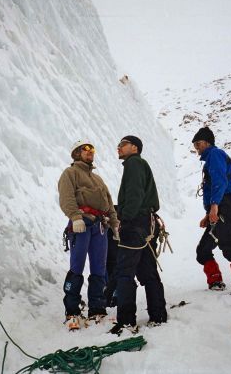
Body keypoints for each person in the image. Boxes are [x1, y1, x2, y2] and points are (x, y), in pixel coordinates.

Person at [58, 139, 119, 331]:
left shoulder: (98, 179)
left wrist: (115, 224)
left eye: (92, 149)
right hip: (82, 224)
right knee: (76, 267)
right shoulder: (70, 173)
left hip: (100, 226)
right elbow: (66, 197)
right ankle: (72, 310)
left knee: (99, 268)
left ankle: (97, 308)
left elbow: (108, 202)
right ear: (76, 153)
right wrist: (75, 217)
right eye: (86, 149)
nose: (90, 151)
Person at [109, 136, 167, 335]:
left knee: (124, 273)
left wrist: (125, 219)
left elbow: (134, 194)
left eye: (122, 144)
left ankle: (126, 322)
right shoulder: (140, 164)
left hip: (135, 225)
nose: (119, 147)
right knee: (148, 272)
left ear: (134, 148)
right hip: (147, 224)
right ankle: (158, 315)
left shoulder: (133, 163)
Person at [192, 126, 231, 294]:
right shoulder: (211, 158)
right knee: (203, 250)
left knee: (229, 243)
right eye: (194, 145)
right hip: (220, 206)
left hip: (224, 205)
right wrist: (209, 213)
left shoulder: (215, 154)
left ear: (207, 142)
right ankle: (216, 281)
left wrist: (214, 207)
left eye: (198, 144)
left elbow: (220, 182)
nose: (196, 148)